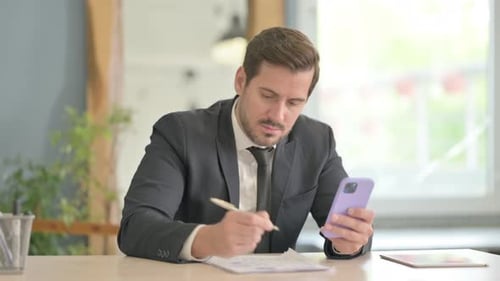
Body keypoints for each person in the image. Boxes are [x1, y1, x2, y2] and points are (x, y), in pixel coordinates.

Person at [118, 26, 375, 263]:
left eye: (294, 103)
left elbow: (347, 229)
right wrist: (207, 239)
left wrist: (349, 242)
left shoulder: (317, 141)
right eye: (267, 96)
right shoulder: (180, 134)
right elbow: (136, 228)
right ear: (241, 81)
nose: (278, 115)